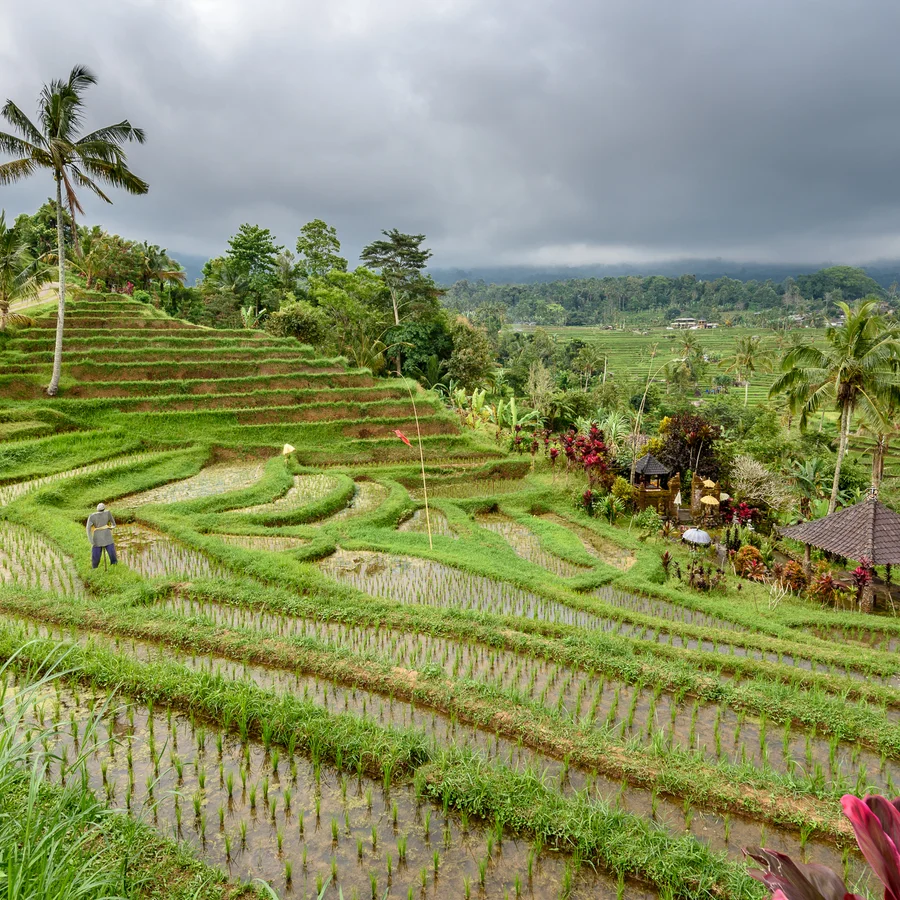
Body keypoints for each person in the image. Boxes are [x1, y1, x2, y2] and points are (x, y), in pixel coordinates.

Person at [86, 502, 117, 568]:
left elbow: (114, 524)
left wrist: (110, 527)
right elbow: (114, 524)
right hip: (99, 537)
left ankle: (114, 567)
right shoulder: (93, 516)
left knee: (112, 555)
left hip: (106, 536)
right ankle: (95, 568)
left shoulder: (107, 513)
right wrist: (91, 540)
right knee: (96, 556)